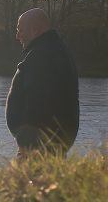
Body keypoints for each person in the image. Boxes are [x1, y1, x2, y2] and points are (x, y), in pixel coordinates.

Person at [6, 8, 79, 156]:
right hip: (51, 142)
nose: (17, 35)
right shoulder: (54, 50)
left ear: (35, 30)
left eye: (20, 29)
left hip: (38, 145)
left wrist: (27, 142)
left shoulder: (42, 55)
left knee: (31, 179)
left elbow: (37, 100)